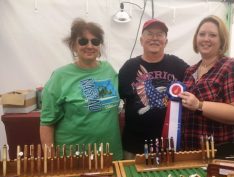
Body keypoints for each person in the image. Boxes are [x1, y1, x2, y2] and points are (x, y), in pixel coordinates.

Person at [40, 18, 122, 160]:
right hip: (74, 159)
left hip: (110, 155)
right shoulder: (60, 77)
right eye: (83, 41)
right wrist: (50, 160)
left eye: (95, 41)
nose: (90, 45)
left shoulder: (109, 70)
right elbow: (47, 122)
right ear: (73, 45)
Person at [179, 15, 234, 150]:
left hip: (223, 151)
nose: (206, 39)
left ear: (221, 40)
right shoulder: (190, 71)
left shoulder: (231, 67)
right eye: (202, 34)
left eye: (212, 35)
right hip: (192, 150)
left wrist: (199, 105)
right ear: (196, 39)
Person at [119, 18, 189, 159]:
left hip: (169, 145)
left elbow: (196, 84)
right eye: (150, 34)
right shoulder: (129, 67)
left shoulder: (178, 65)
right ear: (141, 40)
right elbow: (121, 98)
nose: (154, 38)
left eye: (160, 34)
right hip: (135, 146)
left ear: (166, 41)